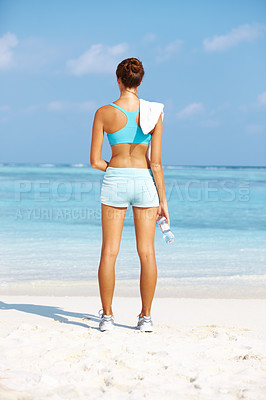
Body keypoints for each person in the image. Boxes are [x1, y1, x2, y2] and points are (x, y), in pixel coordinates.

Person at [90, 57, 170, 332]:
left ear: (118, 80)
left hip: (115, 180)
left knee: (109, 252)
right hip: (145, 183)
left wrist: (115, 170)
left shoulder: (103, 112)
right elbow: (156, 163)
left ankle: (107, 318)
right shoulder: (153, 112)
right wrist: (163, 200)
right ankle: (145, 318)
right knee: (147, 253)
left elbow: (95, 161)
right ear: (140, 81)